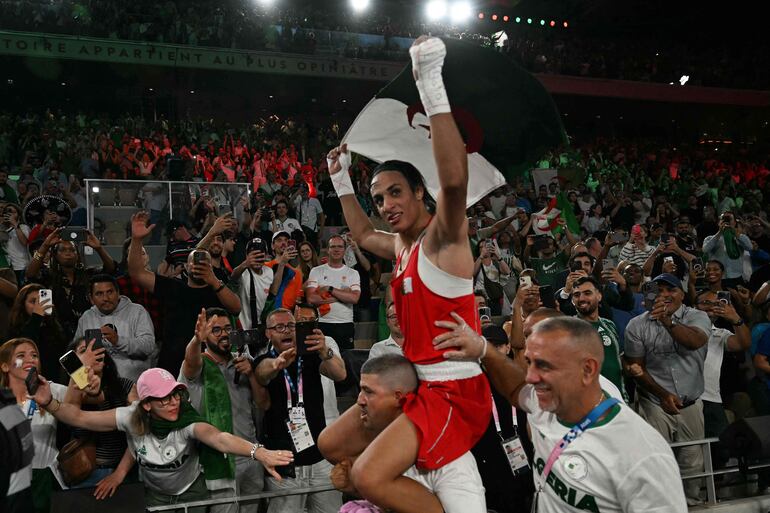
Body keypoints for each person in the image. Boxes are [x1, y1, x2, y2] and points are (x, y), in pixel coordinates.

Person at [318, 36, 492, 513]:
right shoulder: (400, 246)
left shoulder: (443, 238)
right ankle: (413, 468)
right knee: (332, 444)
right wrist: (341, 180)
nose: (387, 206)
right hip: (419, 382)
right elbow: (361, 234)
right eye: (380, 198)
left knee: (366, 475)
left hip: (453, 391)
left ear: (419, 191)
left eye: (396, 193)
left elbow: (454, 183)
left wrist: (429, 83)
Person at [433, 316, 688, 512]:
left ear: (588, 370)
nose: (531, 376)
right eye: (530, 362)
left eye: (544, 365)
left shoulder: (642, 454)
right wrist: (483, 350)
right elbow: (515, 388)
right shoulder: (548, 404)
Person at [29, 367, 293, 512]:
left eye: (175, 395)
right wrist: (49, 402)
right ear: (146, 405)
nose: (173, 403)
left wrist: (259, 452)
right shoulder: (130, 417)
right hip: (157, 495)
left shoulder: (187, 421)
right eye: (163, 398)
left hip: (191, 491)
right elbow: (79, 418)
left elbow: (220, 439)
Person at [330, 354, 486, 512]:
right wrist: (355, 488)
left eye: (368, 392)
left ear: (398, 397)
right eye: (361, 390)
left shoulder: (452, 461)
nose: (359, 401)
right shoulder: (377, 448)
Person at [623, 273, 710, 505]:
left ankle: (689, 503)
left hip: (690, 403)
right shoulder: (636, 325)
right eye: (657, 290)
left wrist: (666, 321)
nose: (663, 295)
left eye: (670, 290)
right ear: (648, 295)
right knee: (656, 459)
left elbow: (695, 341)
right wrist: (662, 395)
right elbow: (635, 367)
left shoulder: (697, 316)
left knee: (692, 462)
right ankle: (660, 507)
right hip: (655, 403)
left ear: (682, 293)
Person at [253, 308, 346, 513]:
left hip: (320, 458)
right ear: (268, 333)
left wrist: (325, 351)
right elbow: (261, 373)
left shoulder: (312, 357)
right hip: (284, 462)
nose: (286, 331)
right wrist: (277, 364)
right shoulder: (263, 360)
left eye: (291, 326)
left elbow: (340, 374)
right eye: (279, 327)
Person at [128, 211, 241, 377]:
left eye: (205, 263)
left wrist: (213, 280)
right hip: (172, 366)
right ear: (186, 267)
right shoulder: (172, 287)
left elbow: (236, 308)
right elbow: (136, 272)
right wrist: (137, 240)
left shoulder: (217, 290)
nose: (198, 266)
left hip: (209, 368)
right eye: (194, 263)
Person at [180, 308, 269, 513]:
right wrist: (195, 340)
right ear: (205, 336)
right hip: (218, 458)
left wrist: (252, 375)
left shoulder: (244, 364)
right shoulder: (200, 365)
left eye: (227, 328)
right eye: (216, 330)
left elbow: (264, 404)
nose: (223, 334)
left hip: (251, 454)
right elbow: (190, 363)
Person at [0, 338, 68, 513]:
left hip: (46, 482)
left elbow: (94, 396)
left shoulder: (51, 390)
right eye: (21, 355)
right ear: (5, 366)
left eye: (35, 355)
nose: (31, 359)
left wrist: (83, 372)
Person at [65, 338, 138, 498]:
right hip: (85, 472)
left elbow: (139, 429)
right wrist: (80, 372)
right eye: (84, 351)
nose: (91, 354)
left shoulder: (125, 386)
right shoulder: (69, 390)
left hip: (124, 471)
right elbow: (70, 409)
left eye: (96, 349)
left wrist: (119, 473)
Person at [26, 228, 116, 339]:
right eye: (63, 250)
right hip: (55, 333)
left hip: (87, 330)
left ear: (77, 254)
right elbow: (30, 274)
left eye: (72, 250)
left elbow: (110, 269)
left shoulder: (87, 275)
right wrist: (45, 246)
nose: (68, 252)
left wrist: (99, 248)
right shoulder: (48, 276)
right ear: (55, 255)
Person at [73, 274, 156, 382]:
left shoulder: (137, 312)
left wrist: (118, 340)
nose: (106, 298)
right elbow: (76, 353)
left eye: (110, 292)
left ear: (118, 294)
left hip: (133, 384)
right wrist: (83, 383)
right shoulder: (86, 317)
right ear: (91, 298)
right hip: (98, 385)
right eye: (99, 294)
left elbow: (148, 346)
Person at [570, 276, 627, 398]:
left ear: (599, 296)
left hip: (619, 398)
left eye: (587, 293)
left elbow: (618, 359)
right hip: (590, 403)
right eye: (576, 295)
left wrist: (630, 368)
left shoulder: (609, 324)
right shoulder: (569, 329)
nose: (581, 298)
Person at [305, 234, 361, 352]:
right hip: (324, 323)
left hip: (345, 324)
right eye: (333, 246)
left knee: (346, 360)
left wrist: (330, 289)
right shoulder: (316, 271)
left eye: (340, 247)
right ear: (327, 250)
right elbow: (311, 299)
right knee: (322, 360)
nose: (336, 249)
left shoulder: (353, 273)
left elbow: (355, 298)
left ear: (345, 250)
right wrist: (342, 296)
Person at [7, 283, 67, 380]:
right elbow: (24, 346)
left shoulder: (55, 327)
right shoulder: (16, 329)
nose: (39, 305)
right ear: (23, 305)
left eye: (41, 301)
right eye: (33, 301)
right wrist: (36, 317)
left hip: (54, 382)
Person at [232, 236, 275, 330]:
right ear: (247, 256)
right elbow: (233, 277)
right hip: (244, 328)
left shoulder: (269, 272)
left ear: (266, 255)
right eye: (253, 255)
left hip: (263, 327)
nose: (257, 258)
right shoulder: (242, 272)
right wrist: (245, 264)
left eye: (260, 255)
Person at [702, 211, 751, 288]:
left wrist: (736, 234)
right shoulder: (709, 238)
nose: (726, 221)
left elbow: (749, 247)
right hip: (718, 278)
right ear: (719, 222)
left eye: (729, 219)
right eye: (724, 219)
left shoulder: (741, 237)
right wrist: (719, 232)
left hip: (736, 277)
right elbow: (705, 250)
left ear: (735, 222)